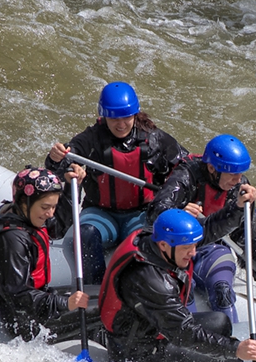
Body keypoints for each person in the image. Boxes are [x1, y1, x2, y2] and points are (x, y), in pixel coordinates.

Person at [44, 81, 186, 284]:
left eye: (126, 117)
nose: (121, 124)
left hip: (141, 213)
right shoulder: (92, 138)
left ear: (135, 114)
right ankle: (95, 290)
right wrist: (57, 158)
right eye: (114, 118)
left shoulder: (155, 139)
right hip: (101, 214)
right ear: (104, 117)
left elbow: (187, 167)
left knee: (147, 242)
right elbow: (62, 162)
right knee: (84, 235)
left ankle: (144, 290)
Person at [99, 208, 256, 362]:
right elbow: (183, 332)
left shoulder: (160, 241)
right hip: (138, 357)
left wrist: (237, 208)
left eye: (194, 245)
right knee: (229, 358)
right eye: (187, 247)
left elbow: (210, 230)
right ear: (163, 245)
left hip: (154, 331)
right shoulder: (149, 281)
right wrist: (235, 349)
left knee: (220, 321)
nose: (193, 253)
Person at [146, 134, 256, 320]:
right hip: (177, 249)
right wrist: (178, 211)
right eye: (232, 174)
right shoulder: (186, 176)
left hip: (212, 248)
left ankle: (234, 344)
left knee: (223, 292)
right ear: (211, 168)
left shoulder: (241, 188)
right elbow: (155, 212)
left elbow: (247, 234)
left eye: (240, 173)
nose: (238, 179)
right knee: (184, 296)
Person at [0, 166, 91, 342]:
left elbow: (58, 228)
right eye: (45, 207)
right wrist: (65, 303)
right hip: (24, 321)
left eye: (53, 207)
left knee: (101, 296)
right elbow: (18, 295)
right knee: (105, 309)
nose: (50, 214)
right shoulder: (11, 241)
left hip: (39, 300)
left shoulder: (22, 216)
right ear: (24, 202)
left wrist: (72, 187)